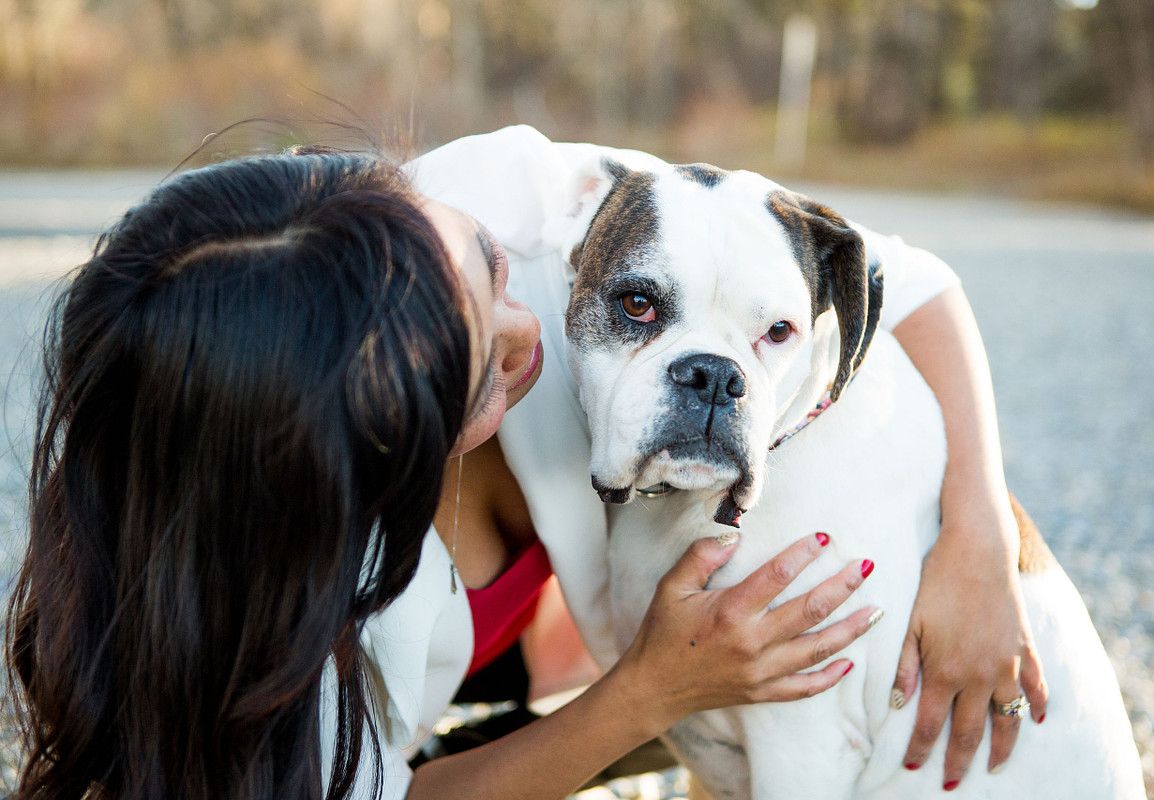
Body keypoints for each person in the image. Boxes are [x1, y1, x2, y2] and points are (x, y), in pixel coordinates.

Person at [6, 146, 880, 800]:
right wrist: (650, 694)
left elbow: (880, 263)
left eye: (496, 270)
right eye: (486, 368)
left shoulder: (498, 197)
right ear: (388, 442)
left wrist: (980, 543)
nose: (529, 326)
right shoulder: (341, 613)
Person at [407, 126, 1049, 793]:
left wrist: (983, 530)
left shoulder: (613, 202)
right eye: (639, 306)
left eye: (774, 333)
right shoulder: (345, 569)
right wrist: (651, 691)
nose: (714, 383)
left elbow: (911, 277)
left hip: (531, 638)